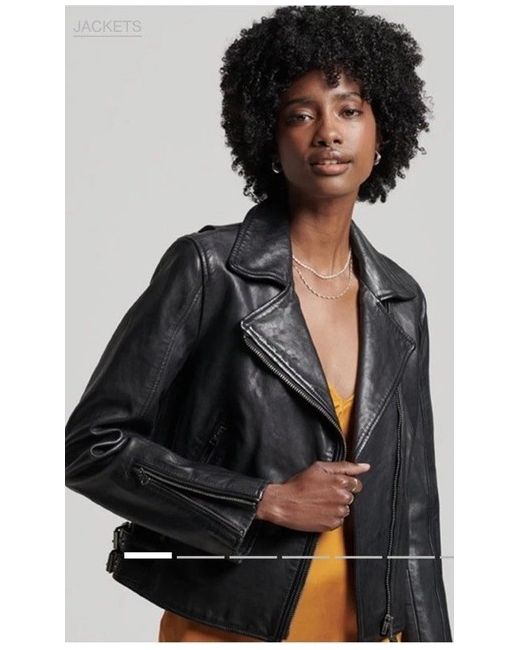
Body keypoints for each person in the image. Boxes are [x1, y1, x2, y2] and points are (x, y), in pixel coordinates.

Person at [65, 5, 452, 643]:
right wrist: (263, 500)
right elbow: (91, 446)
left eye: (350, 110)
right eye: (301, 114)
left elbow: (414, 510)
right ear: (269, 140)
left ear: (383, 132)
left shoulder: (401, 301)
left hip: (365, 630)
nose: (328, 132)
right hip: (227, 624)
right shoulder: (210, 271)